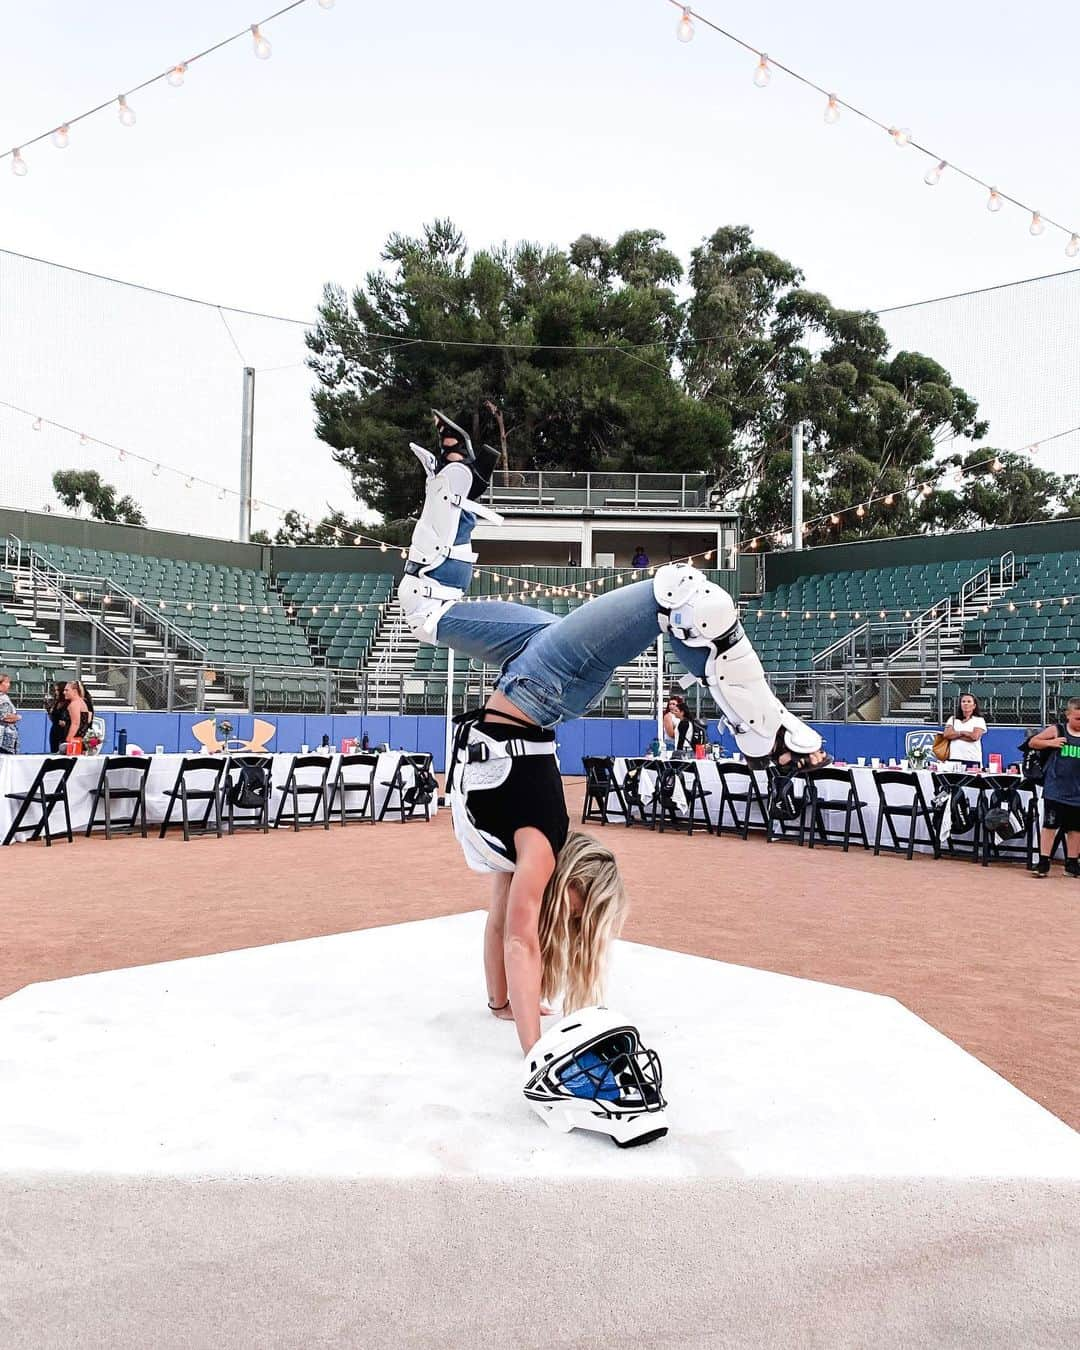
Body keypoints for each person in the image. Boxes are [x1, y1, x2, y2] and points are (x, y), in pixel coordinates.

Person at [397, 410, 829, 1057]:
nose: (559, 909)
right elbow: (509, 935)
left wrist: (521, 1030)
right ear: (579, 877)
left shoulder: (529, 857)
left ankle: (758, 727)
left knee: (673, 594)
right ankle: (459, 479)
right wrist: (521, 1020)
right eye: (576, 905)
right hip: (539, 686)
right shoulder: (533, 849)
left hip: (537, 683)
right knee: (678, 598)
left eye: (574, 906)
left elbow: (506, 933)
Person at [1028, 696, 1080, 879]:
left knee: (1075, 829)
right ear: (1068, 715)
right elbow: (1033, 742)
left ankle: (1072, 863)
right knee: (1050, 826)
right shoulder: (1057, 730)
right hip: (1056, 789)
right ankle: (1043, 862)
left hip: (1077, 791)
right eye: (1077, 718)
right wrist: (1051, 743)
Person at [941, 692, 987, 766]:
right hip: (954, 759)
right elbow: (947, 735)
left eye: (969, 701)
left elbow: (974, 737)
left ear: (974, 705)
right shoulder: (952, 719)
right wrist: (963, 733)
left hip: (972, 759)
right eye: (963, 701)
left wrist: (956, 735)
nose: (966, 704)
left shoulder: (979, 720)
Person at [45, 681, 70, 754]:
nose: (56, 692)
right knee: (54, 751)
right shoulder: (56, 702)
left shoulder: (67, 703)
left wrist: (65, 722)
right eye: (55, 690)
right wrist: (50, 711)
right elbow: (53, 719)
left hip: (63, 731)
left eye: (58, 690)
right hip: (55, 729)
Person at [64, 680, 91, 744]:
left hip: (74, 741)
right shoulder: (82, 702)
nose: (64, 692)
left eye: (67, 690)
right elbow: (88, 720)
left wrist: (68, 740)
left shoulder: (74, 704)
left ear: (75, 691)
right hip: (80, 739)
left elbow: (75, 724)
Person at [0, 673, 20, 754]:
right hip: (4, 737)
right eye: (7, 682)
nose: (9, 685)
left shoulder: (5, 696)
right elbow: (4, 717)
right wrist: (17, 717)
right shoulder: (1, 698)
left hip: (8, 735)